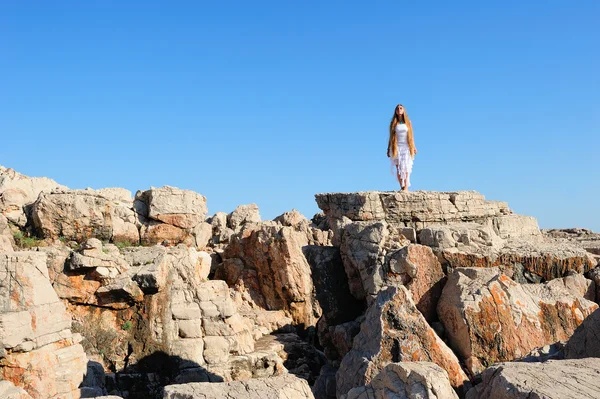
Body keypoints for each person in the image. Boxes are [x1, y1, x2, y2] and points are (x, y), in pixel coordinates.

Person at [387, 104, 417, 191]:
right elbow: (390, 137)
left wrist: (414, 146)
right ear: (395, 111)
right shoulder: (393, 123)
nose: (399, 110)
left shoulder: (408, 123)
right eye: (397, 109)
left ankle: (406, 187)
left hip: (406, 147)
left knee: (406, 167)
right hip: (396, 147)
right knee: (399, 168)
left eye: (401, 108)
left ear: (403, 110)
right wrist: (388, 148)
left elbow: (411, 135)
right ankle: (402, 187)